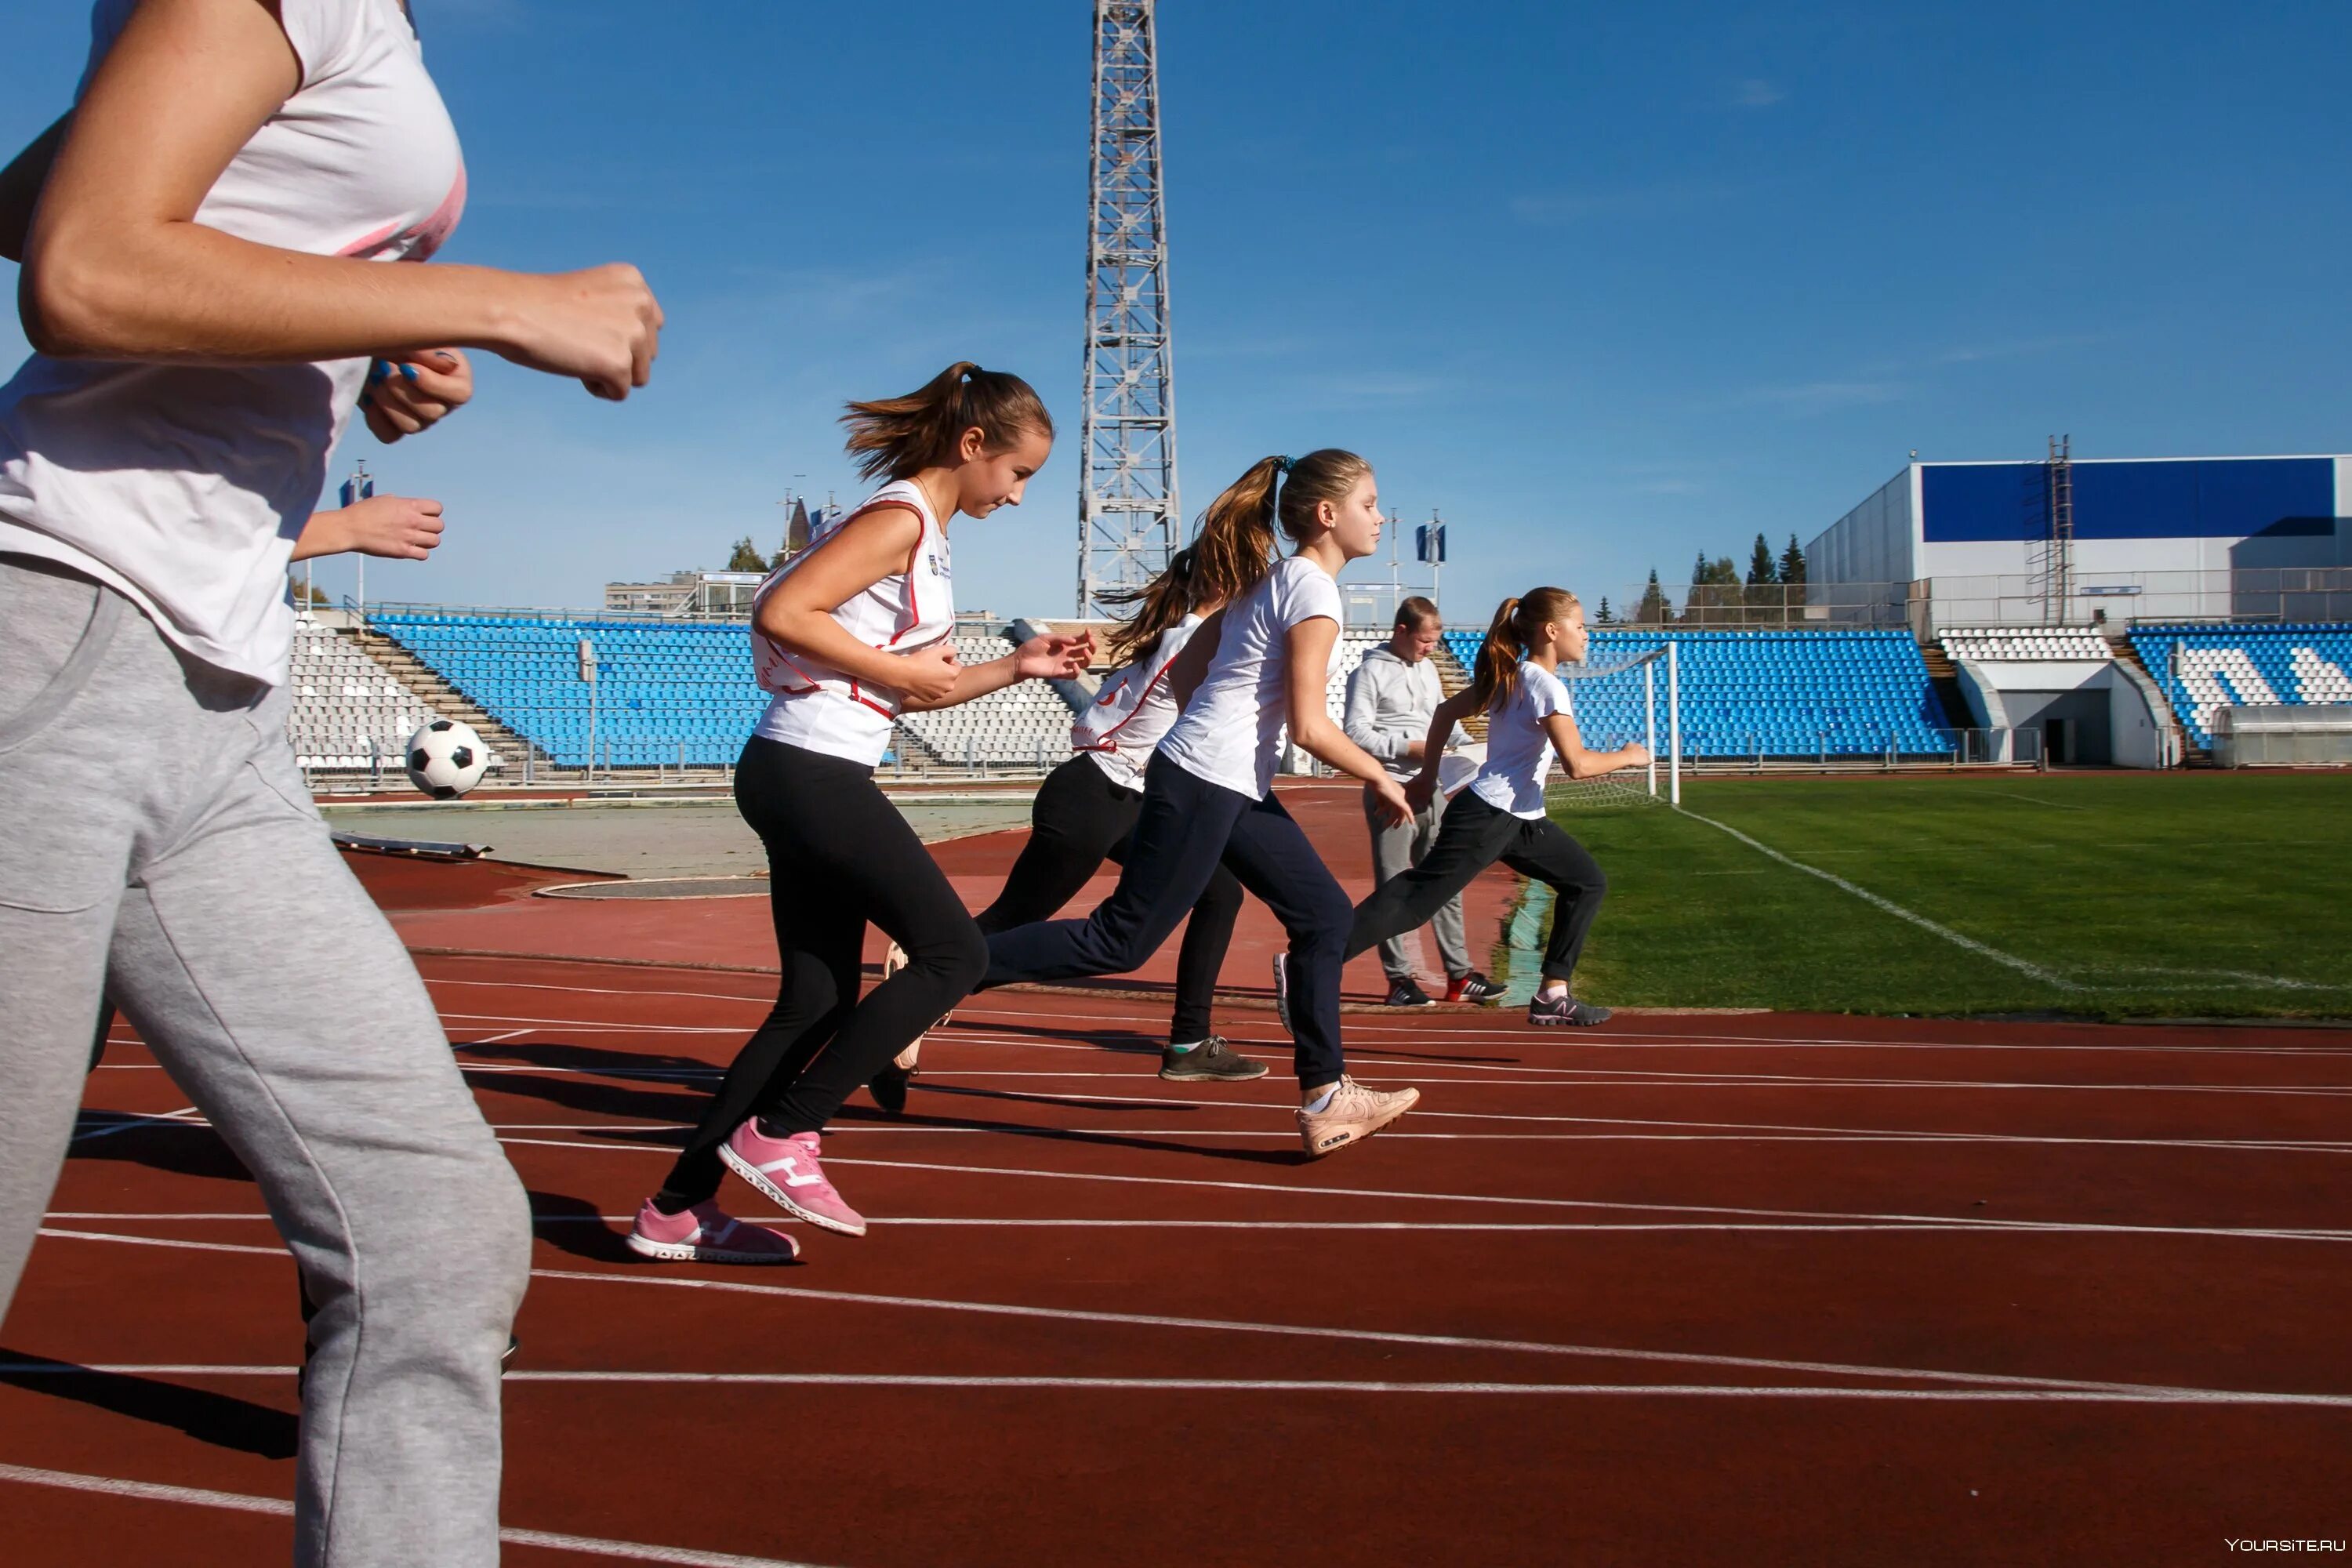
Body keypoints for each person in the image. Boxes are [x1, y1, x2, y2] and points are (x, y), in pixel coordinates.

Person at [0, 0, 663, 1561]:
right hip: (54, 628)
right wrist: (495, 300)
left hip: (212, 692)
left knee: (434, 1236)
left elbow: (31, 201)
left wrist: (364, 329)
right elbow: (83, 265)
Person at [632, 363, 1092, 1256]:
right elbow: (780, 606)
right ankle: (784, 1130)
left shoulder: (924, 532)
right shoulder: (900, 519)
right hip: (810, 769)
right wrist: (894, 669)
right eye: (1018, 472)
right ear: (971, 446)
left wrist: (1017, 668)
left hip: (808, 764)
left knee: (812, 1001)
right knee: (955, 953)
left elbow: (909, 691)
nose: (1021, 494)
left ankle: (676, 1208)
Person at [981, 452, 1422, 1159]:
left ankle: (1326, 1096)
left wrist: (1212, 739)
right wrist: (1380, 775)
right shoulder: (1310, 590)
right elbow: (1309, 727)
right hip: (1206, 778)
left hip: (1222, 777)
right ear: (1327, 514)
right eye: (1371, 504)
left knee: (1324, 915)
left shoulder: (1275, 579)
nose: (1380, 517)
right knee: (1119, 942)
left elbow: (1188, 672)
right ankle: (948, 965)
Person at [945, 492, 1283, 1086]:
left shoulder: (1185, 635)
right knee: (1013, 923)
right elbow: (1201, 739)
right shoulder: (1193, 643)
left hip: (1122, 798)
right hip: (1093, 797)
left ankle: (1188, 1041)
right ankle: (925, 982)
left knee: (1220, 895)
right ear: (1231, 584)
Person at [1348, 590, 1649, 1027]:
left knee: (1586, 882)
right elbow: (1579, 765)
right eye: (1580, 627)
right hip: (1490, 815)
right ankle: (1314, 957)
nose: (1587, 636)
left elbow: (1445, 713)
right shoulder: (1544, 684)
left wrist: (1429, 776)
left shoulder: (1516, 675)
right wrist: (1628, 755)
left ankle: (1553, 993)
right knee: (1416, 900)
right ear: (1551, 631)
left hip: (1520, 817)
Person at [1342, 596, 1503, 1007]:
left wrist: (1470, 747)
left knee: (1445, 880)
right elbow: (1355, 733)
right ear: (1401, 632)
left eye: (1435, 641)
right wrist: (1407, 749)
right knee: (1394, 885)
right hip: (1392, 788)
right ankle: (1399, 980)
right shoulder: (1369, 671)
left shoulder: (1430, 669)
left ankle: (1460, 975)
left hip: (1434, 787)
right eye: (1424, 641)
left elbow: (1442, 725)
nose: (1431, 649)